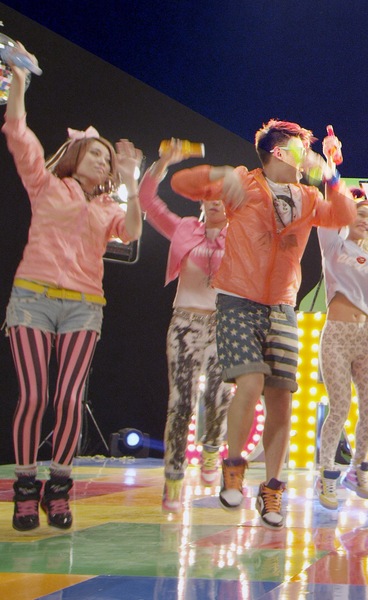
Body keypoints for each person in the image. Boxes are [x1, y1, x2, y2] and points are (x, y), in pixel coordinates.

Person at [170, 121, 356, 528]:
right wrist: (219, 174)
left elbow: (344, 215)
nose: (304, 156)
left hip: (282, 307)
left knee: (281, 399)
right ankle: (233, 466)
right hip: (238, 299)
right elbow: (182, 184)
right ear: (277, 152)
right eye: (299, 149)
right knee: (250, 382)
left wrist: (330, 174)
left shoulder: (308, 197)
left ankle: (272, 489)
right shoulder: (245, 183)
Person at [5, 48, 143, 531]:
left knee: (68, 400)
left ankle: (59, 489)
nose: (103, 161)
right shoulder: (46, 184)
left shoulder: (108, 208)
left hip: (85, 308)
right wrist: (18, 79)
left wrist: (131, 181)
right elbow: (18, 132)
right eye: (96, 153)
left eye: (108, 159)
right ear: (77, 156)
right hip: (32, 299)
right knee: (33, 397)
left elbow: (132, 230)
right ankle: (26, 488)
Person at [139, 141, 231, 513]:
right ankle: (174, 478)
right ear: (200, 203)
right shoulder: (183, 229)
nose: (215, 202)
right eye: (209, 197)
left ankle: (212, 449)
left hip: (222, 325)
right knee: (181, 402)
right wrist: (163, 163)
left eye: (221, 197)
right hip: (184, 323)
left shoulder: (240, 237)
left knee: (219, 398)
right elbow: (147, 201)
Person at [314, 189, 368, 509]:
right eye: (361, 215)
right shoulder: (335, 246)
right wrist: (331, 175)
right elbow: (330, 211)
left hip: (364, 339)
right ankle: (326, 473)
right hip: (336, 336)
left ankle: (358, 470)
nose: (366, 222)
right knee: (340, 406)